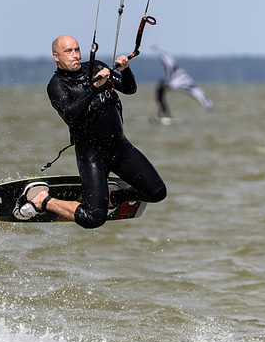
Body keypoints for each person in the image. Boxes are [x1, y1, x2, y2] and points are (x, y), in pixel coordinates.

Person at [20, 34, 166, 228]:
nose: (75, 55)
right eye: (68, 51)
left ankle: (114, 196)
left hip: (120, 148)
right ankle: (43, 201)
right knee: (94, 218)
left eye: (77, 50)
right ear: (56, 56)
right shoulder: (57, 85)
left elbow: (129, 89)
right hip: (92, 156)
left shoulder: (96, 67)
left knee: (156, 192)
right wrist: (94, 88)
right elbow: (71, 114)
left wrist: (126, 70)